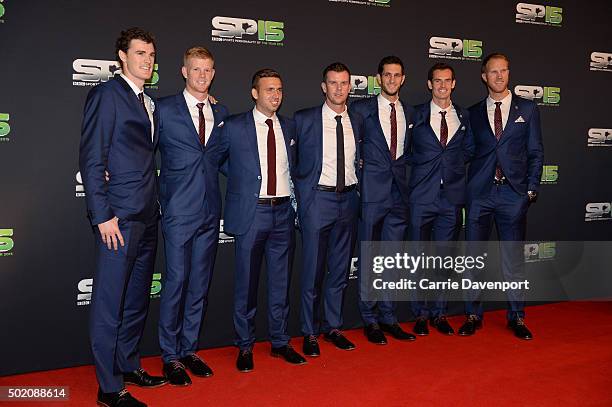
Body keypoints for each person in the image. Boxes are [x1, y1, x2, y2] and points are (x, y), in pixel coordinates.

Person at [79, 27, 166, 407]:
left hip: (148, 216)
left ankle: (128, 364)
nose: (147, 60)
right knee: (109, 303)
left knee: (135, 301)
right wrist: (103, 216)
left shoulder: (150, 102)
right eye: (140, 53)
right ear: (122, 56)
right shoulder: (106, 95)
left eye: (151, 54)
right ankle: (108, 387)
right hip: (119, 219)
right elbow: (92, 158)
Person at [209, 68, 306, 372]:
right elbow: (216, 159)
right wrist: (244, 183)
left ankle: (279, 341)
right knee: (246, 285)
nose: (275, 95)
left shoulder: (290, 127)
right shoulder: (235, 126)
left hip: (282, 213)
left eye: (279, 90)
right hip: (252, 213)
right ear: (255, 93)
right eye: (268, 90)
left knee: (280, 283)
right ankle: (245, 345)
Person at [156, 46, 229, 385]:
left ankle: (189, 349)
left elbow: (224, 160)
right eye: (196, 69)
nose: (202, 75)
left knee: (199, 284)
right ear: (184, 71)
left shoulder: (221, 111)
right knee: (175, 283)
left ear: (213, 73)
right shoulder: (164, 109)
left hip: (209, 211)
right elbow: (142, 149)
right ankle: (169, 356)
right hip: (177, 211)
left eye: (208, 70)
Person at [459, 53, 544, 340]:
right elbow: (467, 153)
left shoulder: (528, 109)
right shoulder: (472, 113)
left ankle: (517, 317)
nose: (498, 76)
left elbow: (536, 152)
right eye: (492, 72)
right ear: (484, 76)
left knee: (513, 260)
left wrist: (530, 191)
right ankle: (473, 314)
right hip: (480, 195)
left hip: (512, 194)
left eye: (503, 71)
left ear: (509, 73)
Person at [294, 62, 364, 357]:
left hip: (348, 201)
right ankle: (309, 331)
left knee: (338, 270)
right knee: (312, 271)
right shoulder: (304, 119)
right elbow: (291, 161)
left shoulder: (359, 119)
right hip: (317, 202)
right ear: (324, 86)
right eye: (333, 83)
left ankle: (333, 327)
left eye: (344, 83)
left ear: (351, 87)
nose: (338, 88)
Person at [350, 56, 416, 345]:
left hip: (399, 195)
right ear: (379, 79)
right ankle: (370, 319)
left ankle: (389, 317)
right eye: (386, 75)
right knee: (369, 258)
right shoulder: (361, 109)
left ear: (403, 79)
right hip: (371, 195)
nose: (391, 80)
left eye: (396, 75)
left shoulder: (411, 112)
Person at [406, 63, 474, 336]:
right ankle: (421, 314)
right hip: (421, 197)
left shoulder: (464, 116)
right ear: (429, 84)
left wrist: (452, 171)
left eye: (447, 81)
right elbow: (405, 151)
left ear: (454, 84)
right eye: (437, 81)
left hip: (451, 199)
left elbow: (469, 151)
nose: (442, 85)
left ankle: (439, 313)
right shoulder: (416, 115)